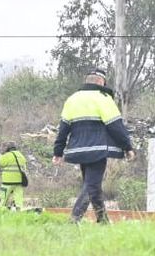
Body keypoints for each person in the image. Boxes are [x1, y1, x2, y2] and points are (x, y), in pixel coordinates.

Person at [52, 67, 133, 224]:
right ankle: (74, 220)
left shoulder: (72, 99)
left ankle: (103, 221)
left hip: (78, 150)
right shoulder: (103, 98)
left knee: (93, 186)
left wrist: (58, 152)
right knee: (91, 186)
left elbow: (63, 128)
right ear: (101, 82)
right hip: (97, 150)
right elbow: (115, 126)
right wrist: (127, 147)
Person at [0, 143, 29, 210]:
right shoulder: (21, 156)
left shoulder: (7, 155)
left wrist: (2, 155)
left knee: (3, 198)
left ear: (8, 149)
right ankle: (19, 212)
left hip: (8, 182)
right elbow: (24, 168)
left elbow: (0, 162)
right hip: (19, 182)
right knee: (18, 199)